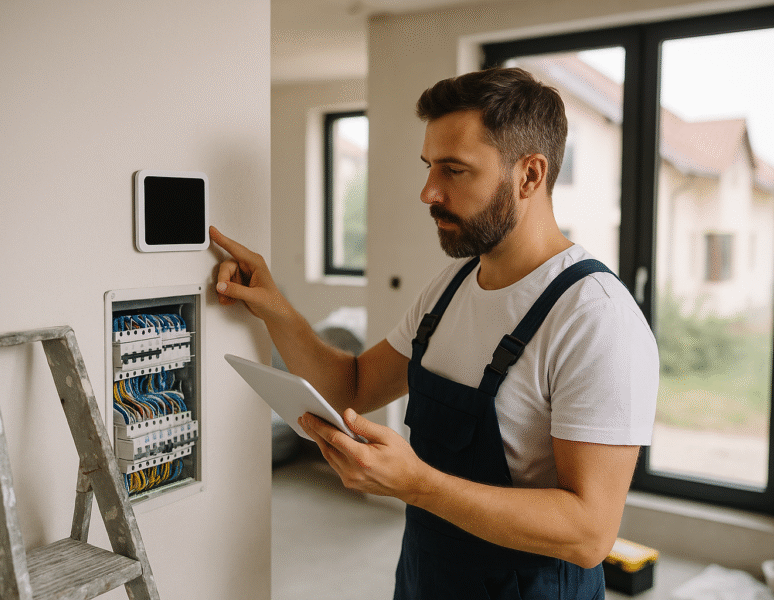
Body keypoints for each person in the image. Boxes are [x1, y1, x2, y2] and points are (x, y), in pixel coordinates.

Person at [211, 67, 658, 600]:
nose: (428, 191)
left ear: (530, 176)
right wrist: (274, 307)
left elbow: (590, 533)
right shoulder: (451, 286)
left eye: (454, 170)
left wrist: (416, 484)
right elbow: (353, 387)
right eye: (429, 167)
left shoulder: (595, 318)